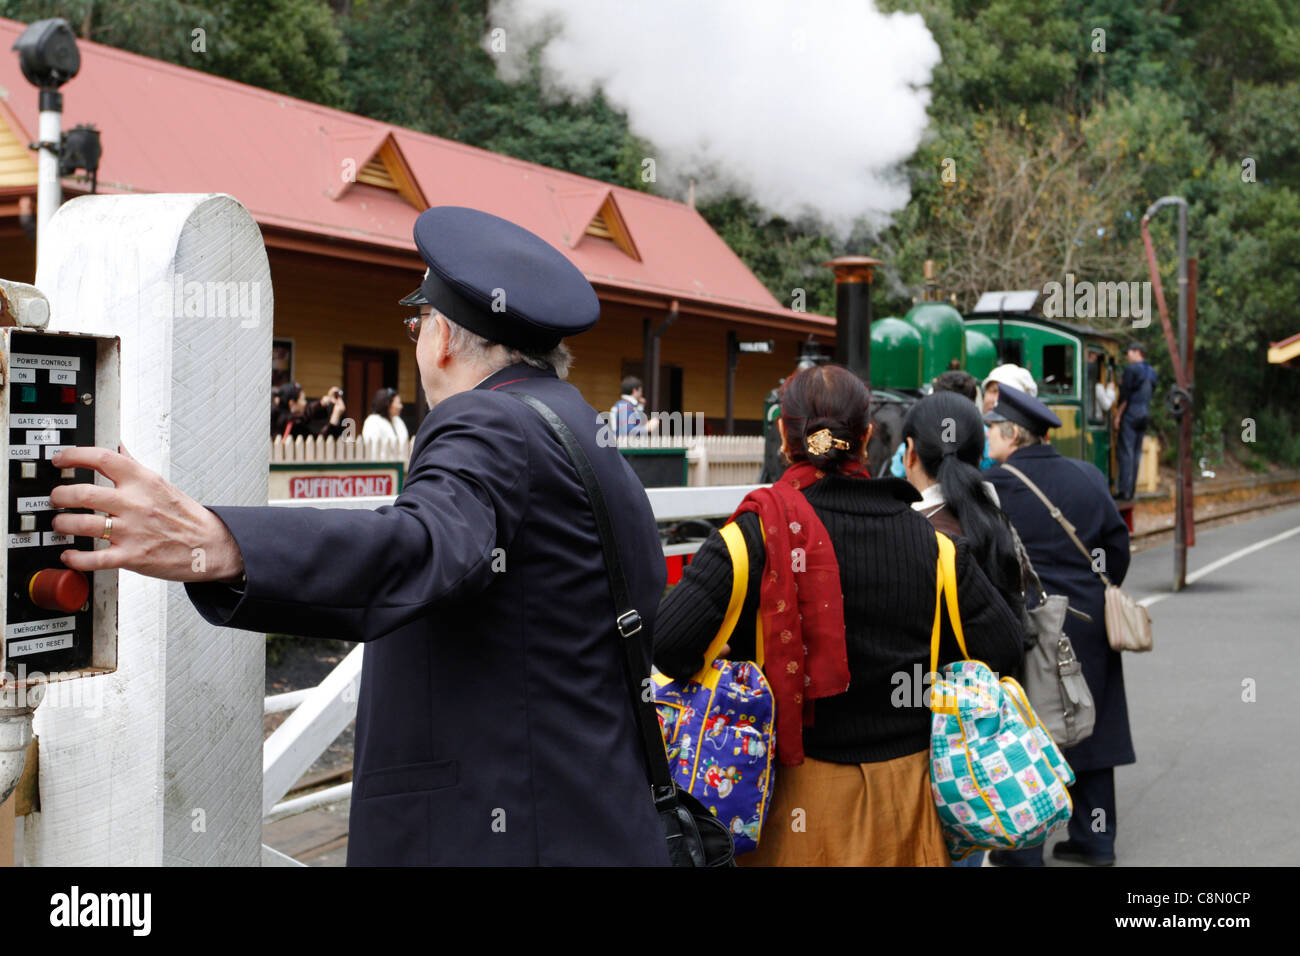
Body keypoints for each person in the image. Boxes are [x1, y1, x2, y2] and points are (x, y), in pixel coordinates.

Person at [48, 205, 670, 866]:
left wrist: (219, 541)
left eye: (416, 323)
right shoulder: (584, 432)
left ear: (442, 337)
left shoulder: (485, 422)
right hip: (601, 821)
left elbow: (427, 544)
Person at [654, 364, 1025, 866]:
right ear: (868, 437)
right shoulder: (937, 550)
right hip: (908, 803)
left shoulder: (751, 538)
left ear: (785, 438)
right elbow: (1003, 648)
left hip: (792, 803)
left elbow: (670, 647)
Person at [982, 384, 1133, 867]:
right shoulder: (1087, 476)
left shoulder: (991, 486)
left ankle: (1024, 852)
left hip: (1025, 625)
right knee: (1092, 723)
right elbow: (1117, 547)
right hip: (1086, 621)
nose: (987, 438)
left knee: (1025, 732)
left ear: (1010, 432)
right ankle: (1096, 839)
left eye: (991, 429)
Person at [1114, 343, 1157, 500]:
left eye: (1129, 353)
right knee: (1136, 453)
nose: (1127, 356)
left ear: (1137, 352)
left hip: (1131, 412)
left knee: (1126, 452)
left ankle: (1123, 490)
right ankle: (1131, 491)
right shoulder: (1152, 372)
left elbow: (1125, 396)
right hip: (1145, 413)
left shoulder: (1131, 370)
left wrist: (1118, 416)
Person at [273, 381, 346, 440]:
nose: (305, 403)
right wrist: (334, 419)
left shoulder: (280, 418)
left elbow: (306, 414)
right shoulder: (291, 425)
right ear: (291, 403)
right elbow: (318, 442)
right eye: (303, 399)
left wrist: (324, 401)